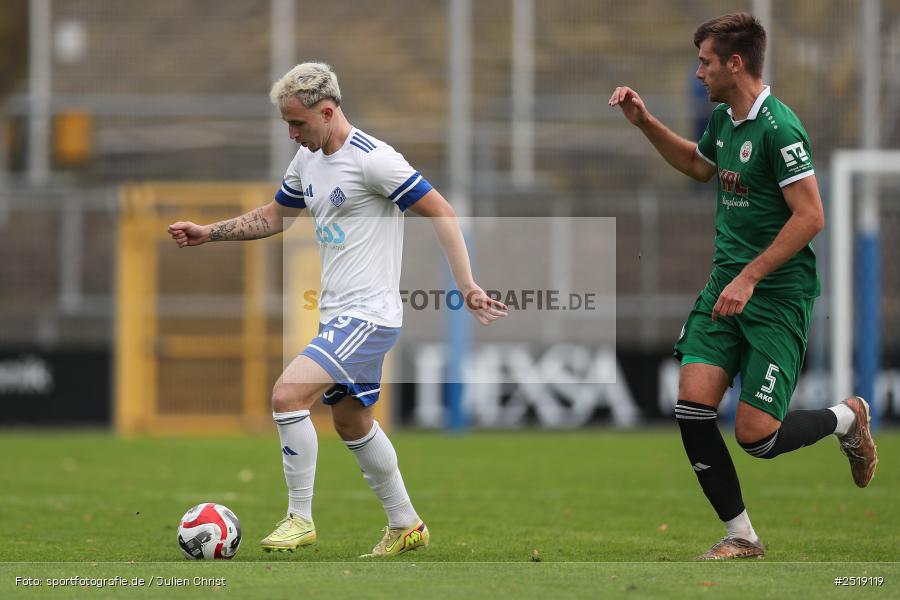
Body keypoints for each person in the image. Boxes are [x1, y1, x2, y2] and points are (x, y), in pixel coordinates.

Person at [168, 62, 507, 558]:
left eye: (298, 123)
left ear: (328, 111)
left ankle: (299, 518)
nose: (292, 134)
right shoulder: (307, 161)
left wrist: (466, 284)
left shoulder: (374, 160)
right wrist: (209, 233)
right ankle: (406, 523)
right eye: (287, 123)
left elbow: (441, 210)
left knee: (287, 395)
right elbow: (275, 217)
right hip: (339, 316)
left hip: (368, 316)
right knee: (350, 420)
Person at [609, 12, 877, 560]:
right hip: (724, 289)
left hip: (776, 297)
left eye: (705, 61)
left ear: (735, 63)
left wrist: (752, 278)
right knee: (691, 407)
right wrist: (645, 122)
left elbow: (811, 217)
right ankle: (742, 536)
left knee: (758, 437)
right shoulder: (726, 122)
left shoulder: (779, 128)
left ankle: (847, 417)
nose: (698, 71)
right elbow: (697, 164)